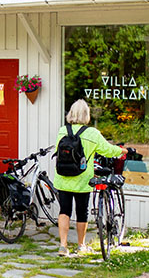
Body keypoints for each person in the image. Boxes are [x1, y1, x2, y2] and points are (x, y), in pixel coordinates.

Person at [54, 99, 127, 256]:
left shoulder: (62, 130)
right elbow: (107, 150)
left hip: (63, 178)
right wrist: (122, 151)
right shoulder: (92, 133)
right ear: (86, 115)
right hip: (82, 179)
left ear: (71, 114)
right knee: (82, 212)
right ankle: (81, 245)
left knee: (64, 210)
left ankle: (63, 245)